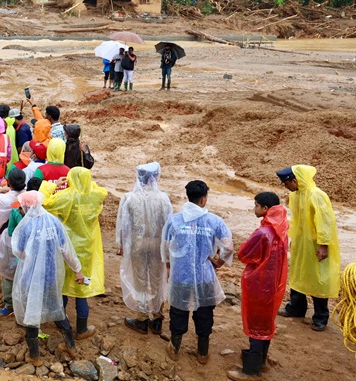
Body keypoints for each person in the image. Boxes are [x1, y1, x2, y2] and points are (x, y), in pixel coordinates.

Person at [162, 180, 234, 364]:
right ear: (203, 199)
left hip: (180, 276)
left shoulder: (175, 220)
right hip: (205, 277)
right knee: (204, 313)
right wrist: (219, 262)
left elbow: (165, 246)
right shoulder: (214, 221)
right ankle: (203, 352)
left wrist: (169, 266)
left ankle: (175, 347)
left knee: (179, 310)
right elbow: (228, 247)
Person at [12, 190, 86, 366]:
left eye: (21, 208)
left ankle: (35, 356)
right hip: (51, 276)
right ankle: (71, 346)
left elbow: (20, 252)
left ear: (27, 207)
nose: (20, 211)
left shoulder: (26, 225)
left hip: (31, 279)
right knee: (56, 308)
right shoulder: (54, 222)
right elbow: (66, 249)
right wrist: (78, 270)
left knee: (32, 312)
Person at [227, 192, 289, 381]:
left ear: (264, 209)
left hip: (258, 283)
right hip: (274, 284)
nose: (254, 209)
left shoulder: (263, 233)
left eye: (256, 206)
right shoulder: (282, 229)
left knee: (256, 324)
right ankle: (261, 360)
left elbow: (244, 254)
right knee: (266, 322)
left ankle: (250, 371)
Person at [44, 167, 107, 340]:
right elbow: (102, 191)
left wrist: (52, 186)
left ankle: (60, 319)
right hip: (86, 248)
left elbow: (45, 202)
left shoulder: (65, 197)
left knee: (63, 284)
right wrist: (87, 183)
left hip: (67, 246)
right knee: (81, 288)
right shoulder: (95, 196)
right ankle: (82, 328)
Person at [276, 165, 340, 331]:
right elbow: (297, 220)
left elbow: (325, 221)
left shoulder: (317, 195)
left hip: (315, 245)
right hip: (301, 243)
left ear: (295, 180)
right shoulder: (295, 195)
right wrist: (293, 238)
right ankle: (296, 308)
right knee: (299, 274)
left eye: (286, 183)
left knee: (318, 279)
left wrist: (323, 245)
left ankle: (320, 317)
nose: (285, 187)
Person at [116, 163, 173, 335]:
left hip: (137, 244)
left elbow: (123, 225)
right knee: (158, 280)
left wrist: (122, 244)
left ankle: (141, 318)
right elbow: (169, 226)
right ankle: (157, 318)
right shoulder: (163, 198)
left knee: (140, 281)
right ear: (155, 177)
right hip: (157, 244)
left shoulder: (129, 198)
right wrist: (168, 250)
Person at [0, 168, 27, 315]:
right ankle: (24, 302)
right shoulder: (28, 196)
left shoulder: (3, 200)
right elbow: (15, 202)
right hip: (26, 240)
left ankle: (9, 305)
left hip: (8, 240)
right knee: (24, 270)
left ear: (8, 182)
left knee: (7, 272)